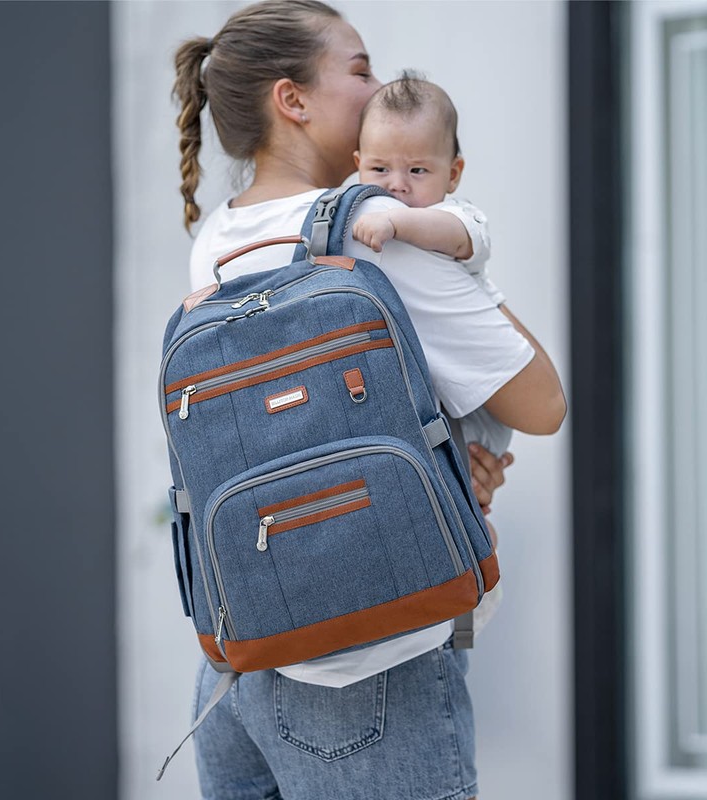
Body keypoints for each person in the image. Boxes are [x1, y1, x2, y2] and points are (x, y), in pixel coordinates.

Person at [174, 2, 566, 798]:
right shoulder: (376, 232)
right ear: (293, 100)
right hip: (369, 671)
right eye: (358, 69)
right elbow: (542, 401)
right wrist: (463, 266)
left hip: (240, 661)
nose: (378, 86)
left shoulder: (217, 237)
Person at [352, 73, 514, 632]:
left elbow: (449, 234)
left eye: (418, 171)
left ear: (453, 173)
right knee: (444, 489)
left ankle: (476, 573)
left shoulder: (458, 218)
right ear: (357, 164)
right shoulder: (362, 211)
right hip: (441, 388)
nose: (397, 186)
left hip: (479, 399)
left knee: (458, 482)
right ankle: (468, 562)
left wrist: (393, 221)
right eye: (379, 170)